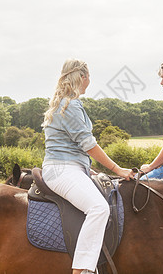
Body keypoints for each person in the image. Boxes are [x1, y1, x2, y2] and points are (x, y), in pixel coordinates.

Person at [41, 58, 134, 274]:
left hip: (70, 167)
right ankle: (83, 270)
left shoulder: (66, 102)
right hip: (62, 170)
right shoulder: (70, 105)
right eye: (88, 76)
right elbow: (88, 144)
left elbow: (74, 148)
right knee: (99, 208)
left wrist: (88, 168)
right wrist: (118, 170)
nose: (89, 81)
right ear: (82, 77)